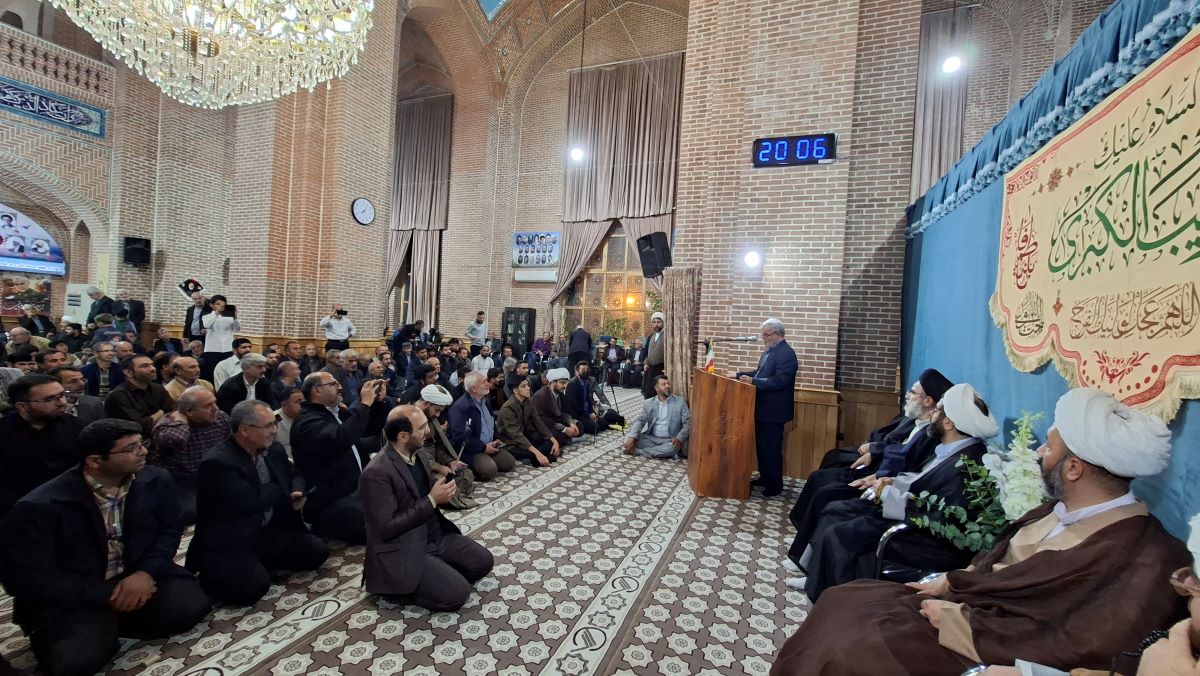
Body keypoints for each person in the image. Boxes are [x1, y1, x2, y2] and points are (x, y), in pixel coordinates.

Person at [772, 387, 1188, 675]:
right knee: (844, 600)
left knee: (848, 649)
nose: (1040, 453)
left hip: (985, 645)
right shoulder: (1056, 509)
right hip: (965, 604)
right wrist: (949, 584)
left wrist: (958, 619)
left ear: (1074, 469)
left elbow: (1077, 642)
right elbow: (997, 569)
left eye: (1049, 447)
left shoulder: (1149, 558)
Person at [0, 419, 211, 676]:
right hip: (78, 592)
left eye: (141, 443)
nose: (143, 451)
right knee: (75, 661)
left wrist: (145, 573)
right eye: (131, 448)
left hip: (134, 572)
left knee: (189, 606)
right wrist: (109, 593)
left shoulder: (155, 478)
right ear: (95, 461)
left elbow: (169, 530)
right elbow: (27, 580)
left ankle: (118, 617)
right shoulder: (39, 506)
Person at [792, 383, 997, 600]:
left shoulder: (967, 466)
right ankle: (816, 578)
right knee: (835, 509)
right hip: (908, 515)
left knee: (841, 533)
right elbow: (923, 481)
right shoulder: (958, 449)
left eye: (938, 411)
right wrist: (894, 482)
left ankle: (827, 599)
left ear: (948, 423)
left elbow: (939, 514)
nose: (932, 414)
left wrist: (887, 494)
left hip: (921, 537)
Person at [784, 368, 952, 574]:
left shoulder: (931, 435)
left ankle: (807, 560)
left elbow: (909, 467)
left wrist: (877, 476)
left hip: (887, 486)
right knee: (822, 479)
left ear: (928, 401)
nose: (908, 396)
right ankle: (804, 539)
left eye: (913, 392)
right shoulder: (914, 420)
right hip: (879, 473)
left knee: (826, 496)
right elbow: (892, 443)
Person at [187, 400, 328, 606]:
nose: (274, 431)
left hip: (268, 530)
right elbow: (250, 500)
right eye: (268, 426)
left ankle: (260, 562)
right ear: (245, 430)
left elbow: (294, 473)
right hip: (233, 539)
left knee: (316, 552)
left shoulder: (274, 449)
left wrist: (296, 490)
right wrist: (282, 488)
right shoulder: (218, 462)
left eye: (275, 424)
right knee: (251, 589)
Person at [360, 406, 494, 611]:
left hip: (434, 534)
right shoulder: (376, 473)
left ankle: (435, 571)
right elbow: (386, 528)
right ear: (403, 436)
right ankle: (396, 589)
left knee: (483, 562)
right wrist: (432, 500)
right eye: (422, 427)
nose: (429, 431)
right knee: (457, 594)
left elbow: (423, 490)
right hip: (404, 547)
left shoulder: (419, 453)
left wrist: (444, 490)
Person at [291, 372, 387, 544]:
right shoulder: (307, 422)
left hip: (356, 489)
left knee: (398, 508)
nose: (340, 387)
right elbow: (342, 437)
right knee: (381, 529)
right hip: (331, 499)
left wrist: (377, 402)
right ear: (316, 391)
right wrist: (364, 404)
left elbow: (366, 428)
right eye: (333, 384)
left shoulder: (333, 412)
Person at [0, 375, 82, 517]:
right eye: (49, 399)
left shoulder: (75, 426)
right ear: (22, 406)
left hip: (68, 504)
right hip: (16, 510)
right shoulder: (4, 432)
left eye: (62, 395)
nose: (62, 403)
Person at [737, 317, 799, 497]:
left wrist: (753, 381)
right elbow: (758, 374)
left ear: (778, 334)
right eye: (763, 334)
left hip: (774, 411)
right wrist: (738, 374)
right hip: (762, 409)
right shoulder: (770, 351)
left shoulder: (787, 353)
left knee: (771, 448)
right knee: (763, 447)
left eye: (766, 335)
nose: (763, 338)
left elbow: (780, 381)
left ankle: (774, 485)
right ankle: (765, 477)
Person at [152, 386, 229, 526]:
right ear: (189, 411)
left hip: (215, 474)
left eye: (215, 403)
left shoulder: (220, 418)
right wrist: (181, 420)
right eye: (208, 406)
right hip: (182, 481)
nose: (216, 409)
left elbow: (231, 443)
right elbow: (177, 440)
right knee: (191, 511)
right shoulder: (168, 426)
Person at [414, 384, 477, 509]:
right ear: (426, 404)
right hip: (420, 467)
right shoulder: (409, 420)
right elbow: (414, 454)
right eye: (437, 410)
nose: (438, 415)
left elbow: (437, 446)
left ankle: (457, 494)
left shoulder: (430, 417)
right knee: (444, 483)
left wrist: (450, 461)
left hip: (434, 461)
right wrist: (439, 468)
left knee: (465, 474)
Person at [447, 370, 516, 481]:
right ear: (473, 389)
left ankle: (487, 458)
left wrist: (496, 438)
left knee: (509, 463)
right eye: (484, 382)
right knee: (489, 470)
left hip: (489, 444)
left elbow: (491, 422)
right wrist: (483, 448)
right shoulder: (460, 408)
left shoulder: (484, 401)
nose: (488, 384)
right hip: (471, 450)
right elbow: (461, 438)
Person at [104, 355, 174, 437]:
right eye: (145, 366)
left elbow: (172, 412)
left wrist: (153, 419)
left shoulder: (158, 388)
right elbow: (138, 425)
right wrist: (161, 412)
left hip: (163, 433)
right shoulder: (118, 396)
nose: (152, 369)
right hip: (133, 439)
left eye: (152, 365)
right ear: (129, 372)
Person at [624, 374, 690, 459]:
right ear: (656, 388)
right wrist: (631, 437)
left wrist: (679, 439)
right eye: (664, 384)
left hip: (670, 440)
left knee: (672, 448)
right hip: (651, 438)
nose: (667, 386)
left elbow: (687, 423)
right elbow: (641, 421)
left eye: (668, 383)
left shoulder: (679, 402)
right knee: (631, 439)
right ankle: (660, 451)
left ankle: (639, 451)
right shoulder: (648, 403)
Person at [497, 378, 558, 467]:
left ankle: (534, 457)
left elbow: (538, 421)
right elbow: (515, 434)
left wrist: (554, 441)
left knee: (550, 442)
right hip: (512, 442)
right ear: (515, 390)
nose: (528, 388)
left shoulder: (528, 400)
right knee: (531, 453)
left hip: (526, 436)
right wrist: (537, 453)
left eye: (527, 385)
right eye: (523, 386)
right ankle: (534, 457)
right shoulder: (507, 408)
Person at [564, 361, 624, 434]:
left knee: (603, 424)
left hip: (587, 412)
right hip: (577, 415)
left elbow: (589, 400)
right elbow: (574, 407)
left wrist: (592, 413)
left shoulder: (587, 383)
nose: (586, 371)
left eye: (587, 369)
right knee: (595, 428)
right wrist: (588, 415)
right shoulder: (572, 385)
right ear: (577, 371)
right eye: (583, 369)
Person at [530, 367, 581, 447]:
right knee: (558, 435)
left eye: (566, 383)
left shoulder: (560, 393)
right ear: (553, 382)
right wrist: (564, 429)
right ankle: (567, 437)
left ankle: (568, 436)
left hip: (558, 422)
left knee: (579, 426)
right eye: (562, 383)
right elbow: (543, 420)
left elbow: (565, 412)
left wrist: (570, 423)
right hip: (546, 426)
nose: (565, 386)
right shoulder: (540, 396)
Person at [200, 295, 241, 382]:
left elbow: (236, 329)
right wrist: (216, 313)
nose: (221, 306)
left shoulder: (230, 317)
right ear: (212, 305)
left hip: (228, 349)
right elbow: (207, 325)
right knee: (211, 373)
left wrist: (235, 318)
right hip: (212, 349)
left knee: (227, 373)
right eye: (218, 304)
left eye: (223, 304)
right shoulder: (207, 316)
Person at [274, 386, 303, 460]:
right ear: (283, 405)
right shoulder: (274, 418)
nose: (303, 405)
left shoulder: (308, 416)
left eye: (304, 402)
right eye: (298, 402)